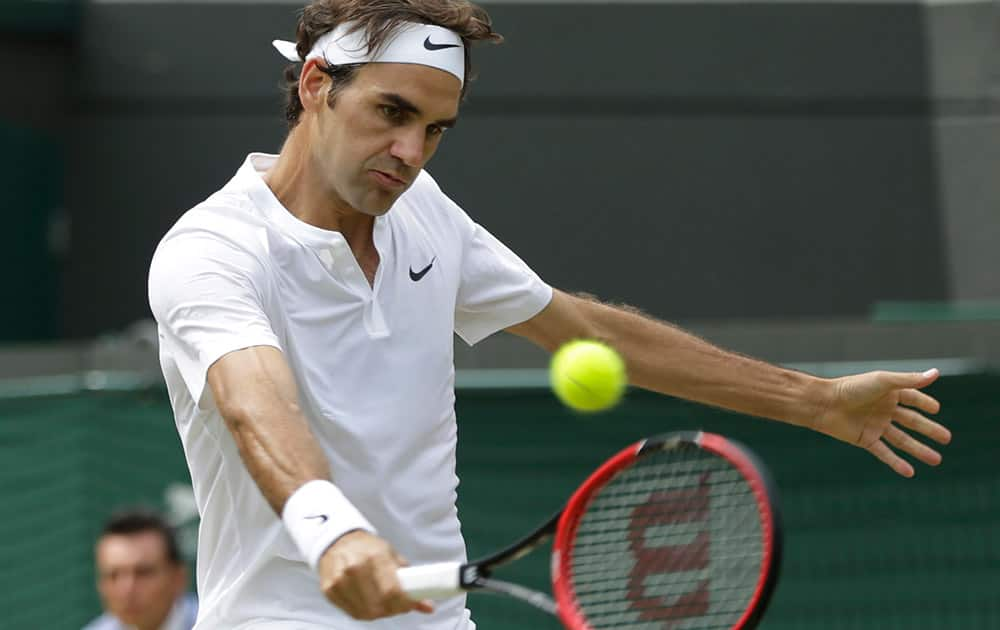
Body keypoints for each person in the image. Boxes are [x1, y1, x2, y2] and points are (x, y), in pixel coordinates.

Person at [146, 0, 952, 627]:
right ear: (318, 84)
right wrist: (335, 533)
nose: (412, 152)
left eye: (436, 129)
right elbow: (257, 406)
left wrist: (811, 400)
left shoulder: (424, 212)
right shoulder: (212, 250)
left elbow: (588, 330)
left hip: (437, 620)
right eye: (392, 113)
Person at [84, 510, 197, 630]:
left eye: (143, 573)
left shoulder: (214, 623)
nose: (126, 590)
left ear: (178, 578)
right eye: (113, 575)